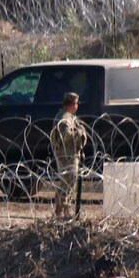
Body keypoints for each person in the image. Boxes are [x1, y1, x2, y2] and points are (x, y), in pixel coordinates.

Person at [50, 92, 90, 221]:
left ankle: (60, 211)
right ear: (73, 104)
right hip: (66, 155)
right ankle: (64, 210)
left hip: (70, 154)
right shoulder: (65, 118)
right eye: (76, 103)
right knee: (68, 182)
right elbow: (64, 136)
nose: (77, 106)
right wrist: (78, 133)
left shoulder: (69, 117)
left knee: (66, 182)